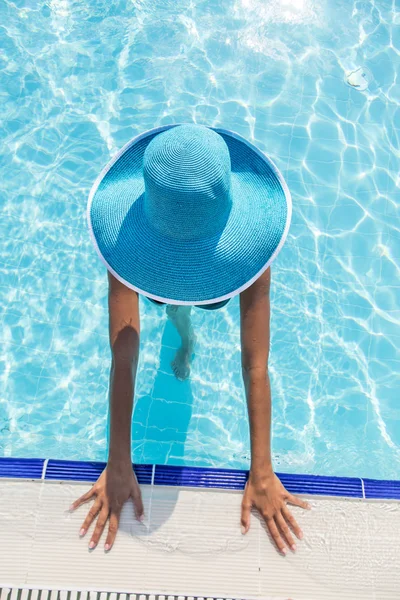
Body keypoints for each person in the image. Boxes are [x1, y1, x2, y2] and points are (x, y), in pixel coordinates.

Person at [70, 124, 310, 556]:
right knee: (175, 310)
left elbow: (255, 362)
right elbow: (123, 352)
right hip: (173, 262)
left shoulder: (246, 255)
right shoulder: (125, 245)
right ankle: (183, 335)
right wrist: (118, 457)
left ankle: (183, 330)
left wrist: (263, 469)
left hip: (202, 266)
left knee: (184, 307)